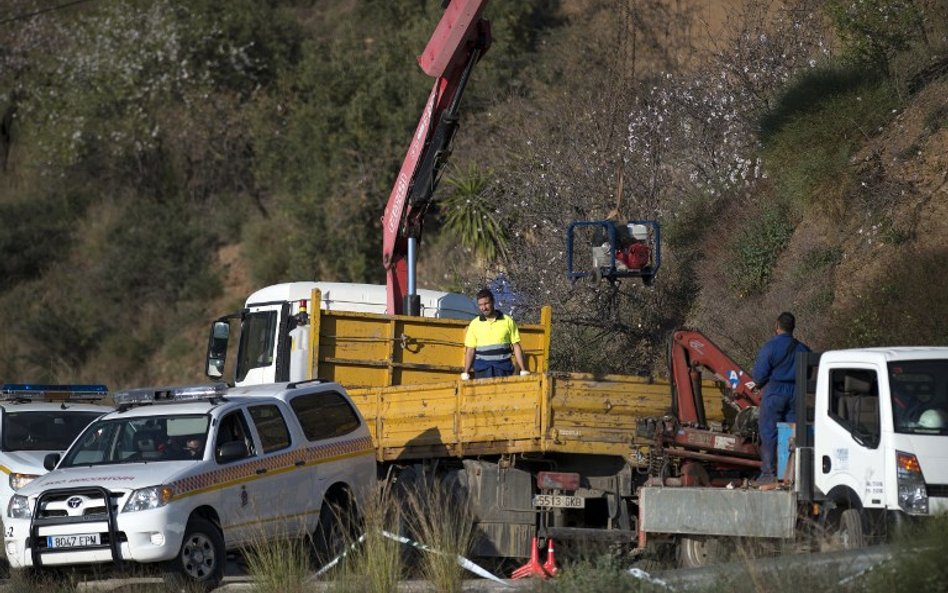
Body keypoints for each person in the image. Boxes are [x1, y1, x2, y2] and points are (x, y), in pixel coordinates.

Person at [752, 312, 810, 486]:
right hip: (797, 393)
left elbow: (759, 376)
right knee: (792, 432)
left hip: (775, 391)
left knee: (769, 432)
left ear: (777, 326)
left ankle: (768, 473)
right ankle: (791, 474)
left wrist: (761, 384)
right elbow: (810, 372)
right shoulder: (803, 349)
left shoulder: (770, 347)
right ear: (793, 327)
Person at [462, 288, 529, 380]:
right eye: (480, 305)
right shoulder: (474, 324)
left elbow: (516, 346)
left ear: (493, 302)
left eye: (486, 304)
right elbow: (470, 350)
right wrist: (466, 372)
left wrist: (523, 369)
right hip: (482, 370)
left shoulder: (507, 321)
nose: (483, 308)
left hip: (503, 369)